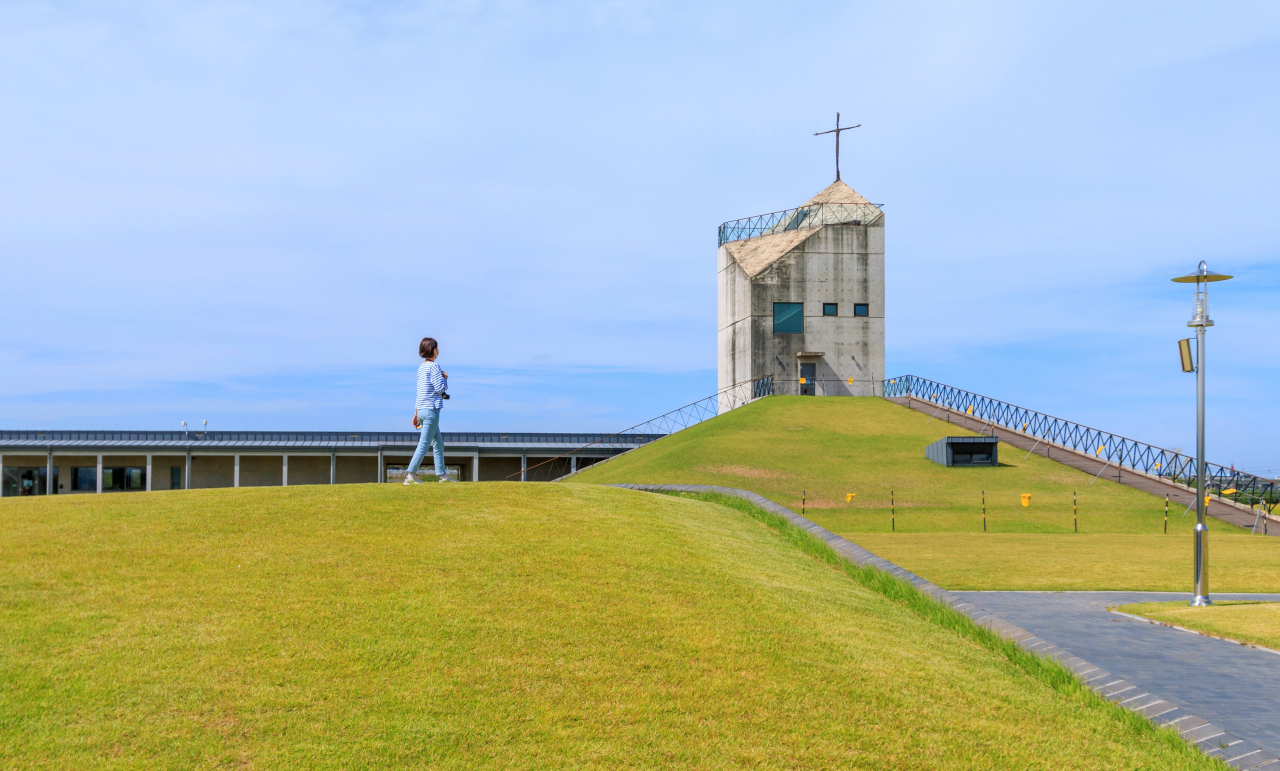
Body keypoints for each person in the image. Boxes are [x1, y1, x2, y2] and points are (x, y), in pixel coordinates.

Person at [406, 337, 455, 484]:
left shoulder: (421, 368)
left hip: (421, 410)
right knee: (424, 443)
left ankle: (442, 476)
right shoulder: (434, 367)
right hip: (431, 410)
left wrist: (415, 414)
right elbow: (440, 388)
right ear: (432, 349)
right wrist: (445, 379)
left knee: (438, 443)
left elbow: (420, 392)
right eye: (436, 348)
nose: (438, 350)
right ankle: (410, 475)